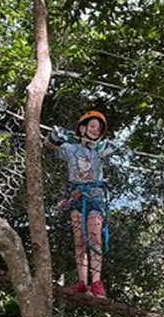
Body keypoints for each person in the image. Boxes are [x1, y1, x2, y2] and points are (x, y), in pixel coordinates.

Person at [44, 110, 117, 298]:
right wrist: (56, 135)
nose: (95, 130)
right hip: (76, 197)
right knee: (79, 241)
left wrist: (105, 147)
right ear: (83, 128)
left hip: (95, 197)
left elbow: (114, 148)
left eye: (98, 128)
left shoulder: (99, 150)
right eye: (92, 126)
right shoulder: (70, 149)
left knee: (94, 238)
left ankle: (97, 282)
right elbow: (48, 145)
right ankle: (82, 282)